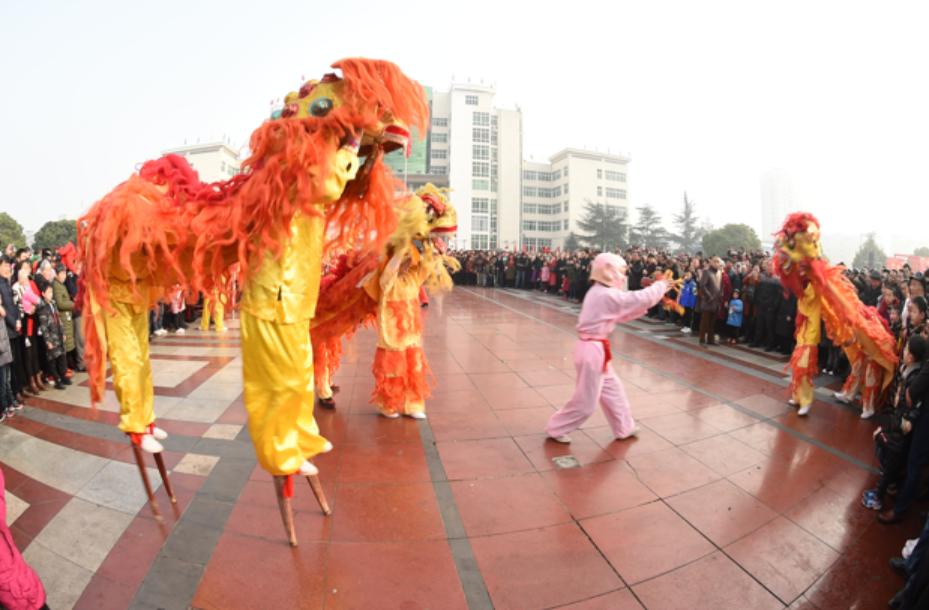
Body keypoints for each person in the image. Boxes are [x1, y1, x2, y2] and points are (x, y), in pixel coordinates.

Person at [545, 253, 670, 443]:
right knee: (586, 402)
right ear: (609, 271)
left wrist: (656, 291)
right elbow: (634, 300)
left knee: (613, 390)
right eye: (620, 271)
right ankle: (556, 428)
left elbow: (622, 310)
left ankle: (624, 427)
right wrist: (660, 287)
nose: (622, 275)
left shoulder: (599, 291)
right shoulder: (604, 294)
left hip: (595, 349)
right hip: (592, 351)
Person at [862, 335, 927, 512]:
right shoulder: (904, 370)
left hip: (900, 429)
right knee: (883, 452)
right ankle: (884, 487)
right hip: (894, 422)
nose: (903, 351)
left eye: (905, 349)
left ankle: (878, 496)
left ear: (911, 357)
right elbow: (895, 402)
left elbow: (911, 408)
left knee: (891, 463)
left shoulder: (916, 378)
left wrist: (899, 425)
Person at [35, 284, 69, 390]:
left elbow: (59, 320)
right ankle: (57, 379)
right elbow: (44, 327)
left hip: (58, 334)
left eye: (51, 292)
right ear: (43, 294)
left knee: (62, 356)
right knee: (53, 359)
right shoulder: (42, 308)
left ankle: (63, 376)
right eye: (48, 292)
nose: (51, 294)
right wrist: (48, 341)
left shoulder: (53, 304)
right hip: (51, 336)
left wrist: (63, 333)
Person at [697, 257, 723, 345]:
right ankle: (702, 339)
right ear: (711, 263)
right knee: (705, 322)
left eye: (718, 262)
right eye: (715, 262)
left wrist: (720, 296)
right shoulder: (706, 272)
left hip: (716, 301)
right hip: (708, 301)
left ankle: (710, 340)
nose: (717, 264)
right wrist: (709, 296)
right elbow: (702, 285)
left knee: (712, 323)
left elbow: (719, 287)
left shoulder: (719, 273)